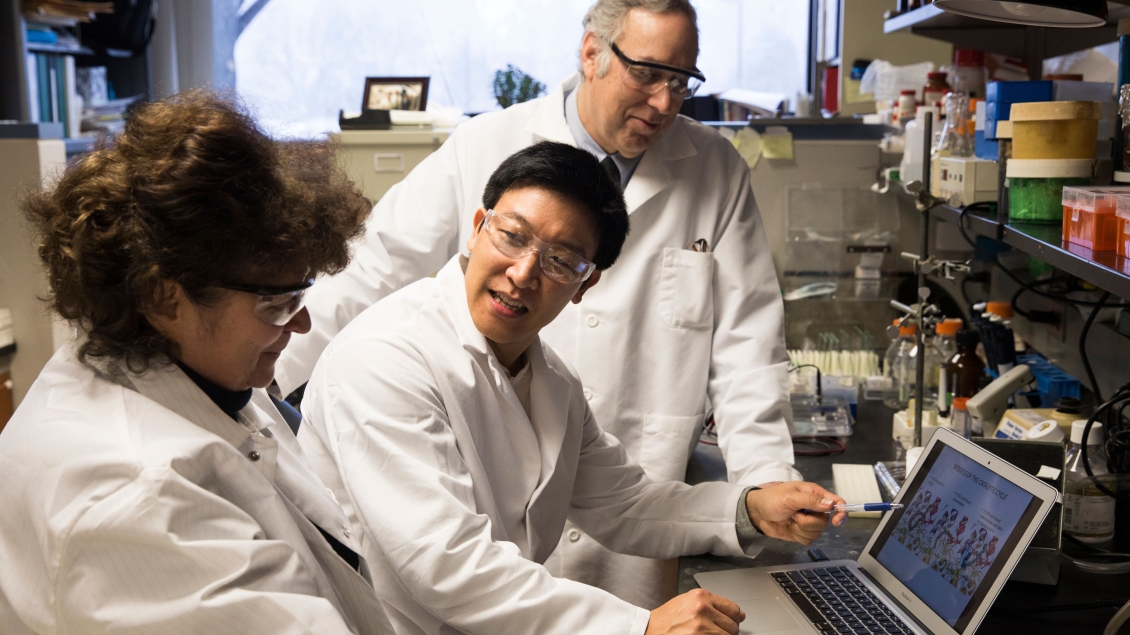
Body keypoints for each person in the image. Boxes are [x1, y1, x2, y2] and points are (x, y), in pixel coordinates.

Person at [275, 0, 799, 608]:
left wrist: (765, 494)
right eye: (647, 73)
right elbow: (366, 275)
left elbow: (748, 351)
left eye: (681, 81)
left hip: (629, 495)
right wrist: (249, 399)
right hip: (458, 558)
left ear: (587, 282)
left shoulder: (713, 172)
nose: (663, 101)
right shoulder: (484, 150)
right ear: (592, 53)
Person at [297, 141, 847, 635]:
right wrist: (639, 628)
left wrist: (748, 509)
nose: (522, 273)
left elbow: (625, 504)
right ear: (476, 228)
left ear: (588, 283)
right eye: (511, 236)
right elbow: (446, 566)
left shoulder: (551, 378)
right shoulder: (386, 359)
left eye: (561, 260)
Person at [0, 91, 393, 634]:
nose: (301, 326)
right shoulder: (139, 501)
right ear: (166, 297)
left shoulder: (190, 368)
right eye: (278, 304)